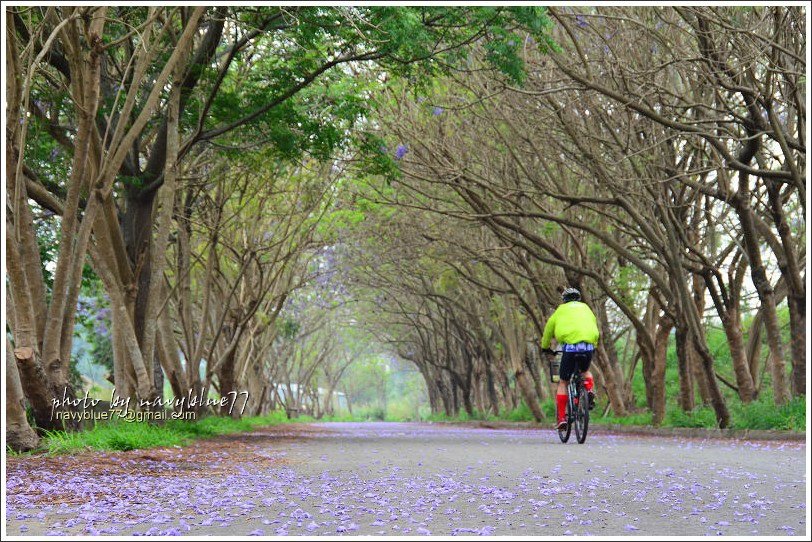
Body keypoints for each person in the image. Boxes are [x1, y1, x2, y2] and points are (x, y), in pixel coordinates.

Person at [541, 287, 599, 431]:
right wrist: (594, 345)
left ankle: (561, 419)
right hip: (588, 346)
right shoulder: (586, 309)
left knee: (563, 381)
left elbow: (548, 330)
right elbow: (593, 327)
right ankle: (589, 390)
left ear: (564, 300)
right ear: (579, 299)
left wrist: (545, 347)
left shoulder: (560, 310)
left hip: (570, 348)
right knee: (585, 371)